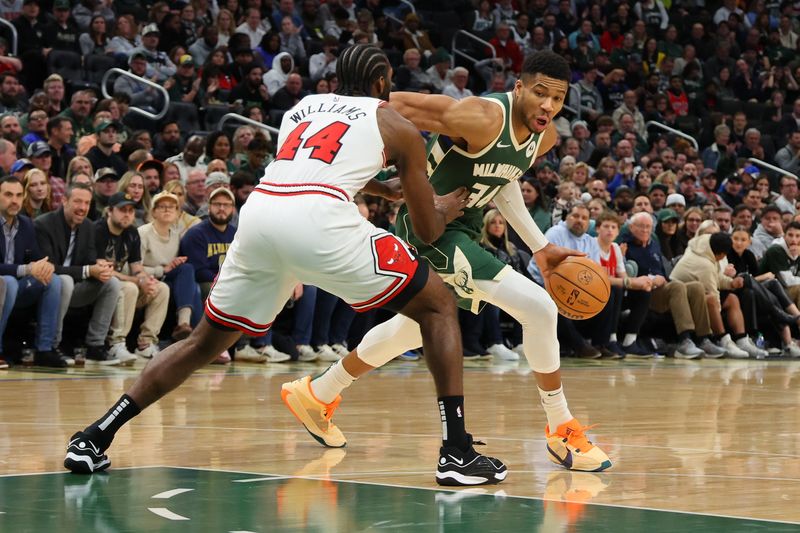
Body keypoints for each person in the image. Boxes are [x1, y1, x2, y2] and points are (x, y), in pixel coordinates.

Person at [64, 45, 508, 486]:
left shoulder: (302, 108)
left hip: (260, 215)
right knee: (437, 306)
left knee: (202, 343)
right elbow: (429, 230)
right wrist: (447, 207)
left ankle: (94, 437)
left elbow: (312, 160)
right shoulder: (395, 122)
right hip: (319, 221)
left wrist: (382, 188)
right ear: (381, 84)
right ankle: (456, 452)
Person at [285, 50, 611, 473]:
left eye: (558, 98)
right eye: (540, 93)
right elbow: (389, 106)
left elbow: (504, 182)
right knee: (539, 308)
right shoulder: (481, 117)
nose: (548, 105)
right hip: (428, 227)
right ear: (518, 88)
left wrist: (539, 248)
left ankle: (318, 393)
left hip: (465, 226)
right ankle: (560, 427)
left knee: (410, 332)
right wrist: (327, 114)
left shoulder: (543, 136)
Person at [35, 183, 124, 365]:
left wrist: (100, 267)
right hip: (47, 288)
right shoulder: (43, 224)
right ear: (64, 200)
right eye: (77, 202)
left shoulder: (89, 227)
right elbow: (49, 267)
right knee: (64, 281)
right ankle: (53, 345)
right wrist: (89, 270)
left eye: (87, 203)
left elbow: (89, 261)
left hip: (74, 287)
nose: (82, 208)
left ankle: (95, 345)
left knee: (112, 283)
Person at [95, 192, 170, 361]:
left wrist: (146, 280)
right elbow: (103, 270)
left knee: (161, 288)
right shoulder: (98, 230)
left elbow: (137, 268)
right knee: (129, 287)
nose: (127, 214)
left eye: (130, 210)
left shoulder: (132, 233)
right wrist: (137, 281)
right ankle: (116, 343)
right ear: (109, 211)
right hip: (101, 287)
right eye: (122, 210)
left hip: (121, 287)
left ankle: (146, 343)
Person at [0, 176, 66, 367]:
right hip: (4, 285)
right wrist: (27, 269)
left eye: (19, 195)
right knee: (9, 282)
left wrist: (45, 266)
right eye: (8, 195)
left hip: (17, 287)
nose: (15, 200)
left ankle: (44, 350)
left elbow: (36, 258)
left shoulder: (27, 224)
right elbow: (27, 267)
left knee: (53, 280)